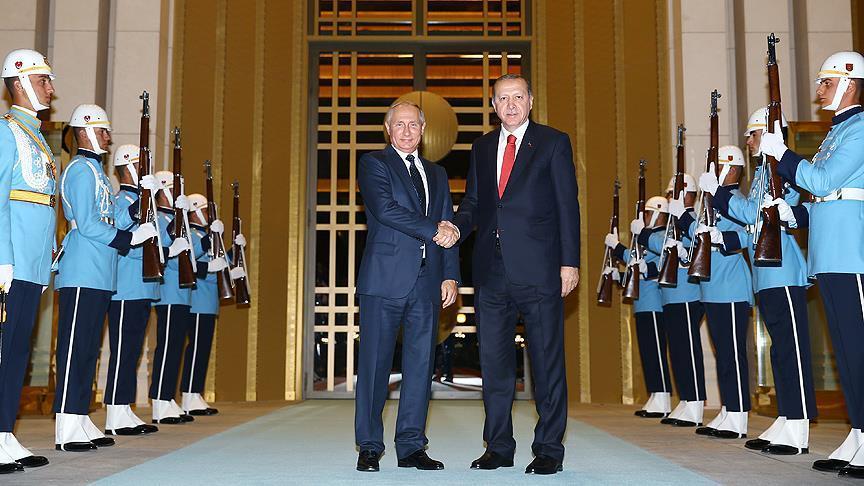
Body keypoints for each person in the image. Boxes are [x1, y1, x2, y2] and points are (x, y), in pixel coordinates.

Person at [452, 73, 580, 475]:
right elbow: (474, 202)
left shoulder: (553, 142)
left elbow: (567, 205)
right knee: (494, 365)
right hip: (491, 272)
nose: (510, 105)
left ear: (530, 101)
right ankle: (498, 447)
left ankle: (548, 450)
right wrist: (455, 228)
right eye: (503, 98)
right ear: (493, 106)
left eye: (517, 97)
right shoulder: (481, 147)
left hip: (540, 270)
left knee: (546, 364)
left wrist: (569, 262)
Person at [760, 51, 864, 478]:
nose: (819, 90)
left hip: (852, 251)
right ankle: (858, 432)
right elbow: (822, 197)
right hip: (829, 253)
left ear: (850, 84)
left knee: (858, 348)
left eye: (827, 82)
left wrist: (784, 154)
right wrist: (794, 214)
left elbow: (823, 181)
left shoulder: (860, 128)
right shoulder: (835, 133)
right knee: (845, 351)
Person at [699, 107, 815, 455]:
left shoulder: (781, 170)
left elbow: (759, 215)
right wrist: (722, 239)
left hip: (784, 272)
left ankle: (799, 424)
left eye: (752, 134)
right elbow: (753, 230)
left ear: (768, 132)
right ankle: (786, 416)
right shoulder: (764, 172)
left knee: (792, 350)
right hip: (765, 275)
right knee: (779, 352)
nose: (748, 141)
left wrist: (720, 194)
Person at [353, 100, 459, 473]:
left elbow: (448, 223)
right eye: (399, 124)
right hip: (384, 280)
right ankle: (369, 446)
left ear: (423, 128)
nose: (407, 130)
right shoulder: (374, 164)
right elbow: (385, 209)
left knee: (420, 367)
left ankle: (412, 446)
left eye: (413, 124)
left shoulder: (438, 173)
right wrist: (434, 229)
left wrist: (450, 274)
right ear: (388, 129)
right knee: (375, 367)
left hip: (427, 282)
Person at [54, 105, 158, 451]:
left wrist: (139, 206)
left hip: (100, 271)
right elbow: (88, 223)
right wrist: (129, 239)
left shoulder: (96, 172)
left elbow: (112, 216)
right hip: (82, 268)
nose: (108, 137)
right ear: (84, 132)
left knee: (89, 351)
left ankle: (80, 416)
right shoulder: (80, 170)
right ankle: (66, 424)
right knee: (75, 349)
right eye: (102, 130)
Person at [670, 146, 753, 440]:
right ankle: (729, 409)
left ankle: (739, 414)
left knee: (732, 353)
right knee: (722, 353)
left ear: (732, 169)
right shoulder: (713, 201)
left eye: (718, 166)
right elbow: (701, 235)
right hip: (713, 288)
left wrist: (721, 237)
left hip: (730, 286)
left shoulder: (735, 200)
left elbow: (747, 235)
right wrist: (685, 220)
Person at [0, 48, 56, 472]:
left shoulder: (36, 136)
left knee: (18, 350)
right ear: (19, 84)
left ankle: (5, 433)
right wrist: (3, 258)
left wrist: (45, 257)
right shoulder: (6, 133)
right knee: (4, 349)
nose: (50, 89)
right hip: (12, 260)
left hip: (31, 262)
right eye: (42, 81)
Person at [639, 175, 707, 427]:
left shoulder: (693, 220)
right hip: (670, 295)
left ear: (689, 195)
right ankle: (687, 399)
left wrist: (647, 236)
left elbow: (691, 248)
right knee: (678, 351)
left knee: (688, 349)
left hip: (687, 294)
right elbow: (663, 251)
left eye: (674, 193)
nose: (670, 198)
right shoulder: (674, 223)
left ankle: (696, 402)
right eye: (669, 194)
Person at [102, 143, 160, 436]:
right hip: (125, 288)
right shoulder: (122, 199)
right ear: (127, 168)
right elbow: (118, 224)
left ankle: (124, 407)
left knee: (133, 351)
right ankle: (114, 411)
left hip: (141, 287)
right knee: (123, 350)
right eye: (140, 166)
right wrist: (140, 205)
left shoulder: (141, 199)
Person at [606, 196, 673, 418]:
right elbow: (637, 269)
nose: (644, 218)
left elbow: (648, 265)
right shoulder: (648, 238)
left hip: (654, 302)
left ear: (658, 214)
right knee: (648, 352)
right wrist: (619, 276)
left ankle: (663, 396)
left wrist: (618, 248)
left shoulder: (660, 237)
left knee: (656, 351)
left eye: (648, 213)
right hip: (642, 303)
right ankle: (656, 393)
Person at [148, 170, 202, 424]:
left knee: (176, 348)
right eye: (173, 190)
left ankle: (168, 397)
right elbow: (160, 249)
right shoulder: (159, 218)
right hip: (168, 292)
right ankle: (160, 399)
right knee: (167, 346)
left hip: (181, 294)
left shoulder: (175, 218)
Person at [180, 193, 228, 416]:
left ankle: (194, 392)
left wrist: (233, 252)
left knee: (202, 351)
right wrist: (210, 238)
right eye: (206, 211)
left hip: (208, 302)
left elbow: (218, 262)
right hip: (198, 301)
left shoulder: (203, 235)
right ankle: (188, 394)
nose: (209, 215)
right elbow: (192, 258)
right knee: (196, 349)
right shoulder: (192, 234)